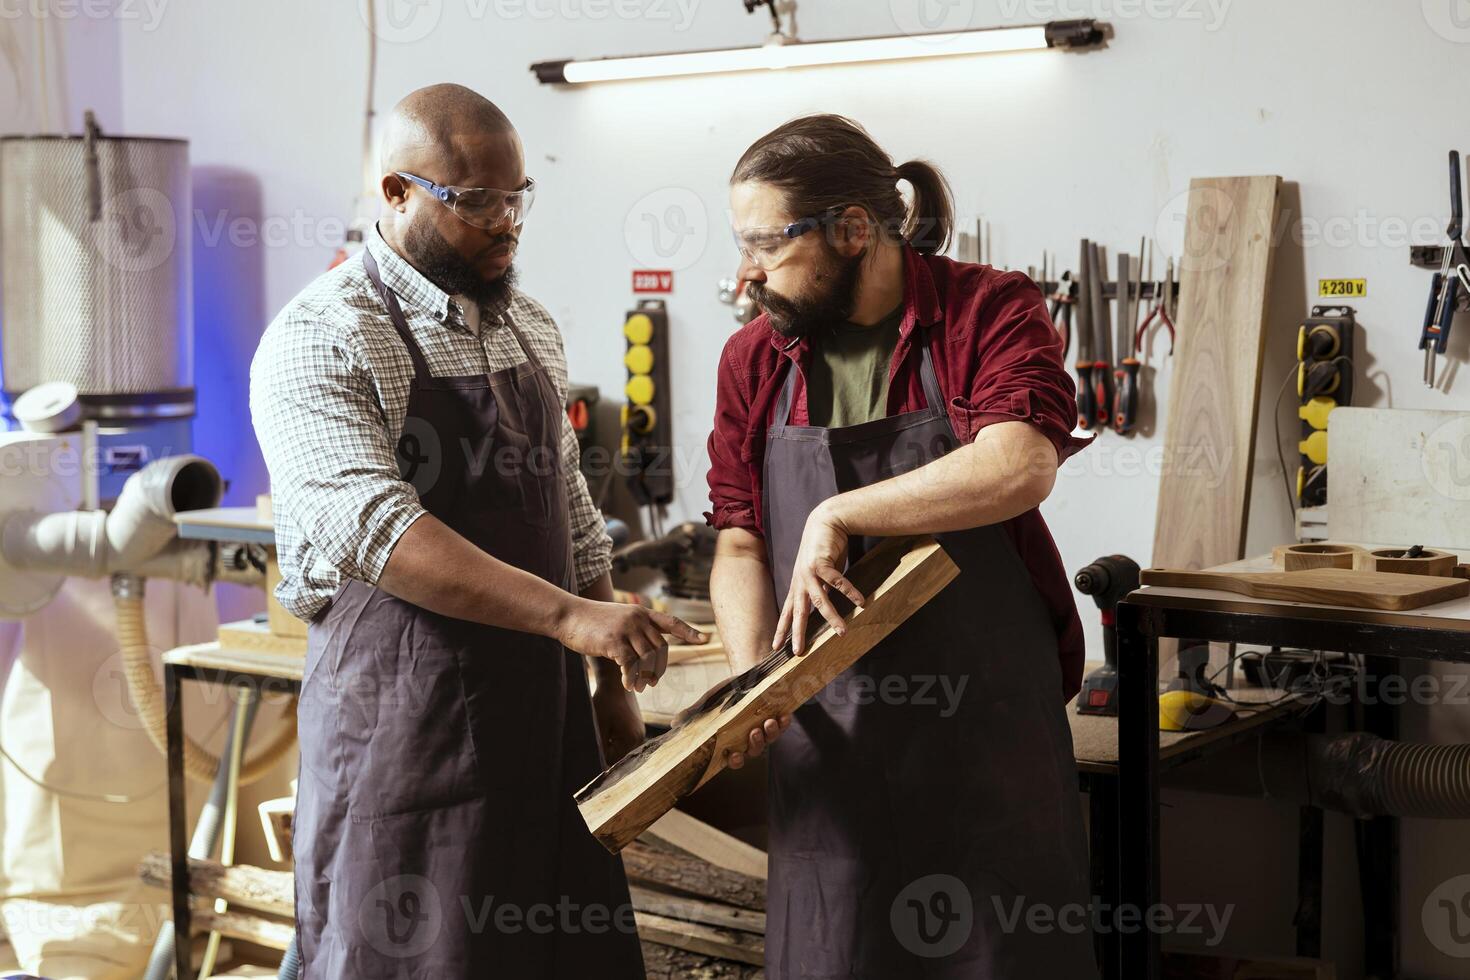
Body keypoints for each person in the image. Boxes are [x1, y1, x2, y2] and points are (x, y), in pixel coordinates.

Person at [251, 83, 703, 979]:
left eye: (518, 197)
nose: (507, 223)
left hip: (543, 734)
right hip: (400, 741)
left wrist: (611, 676)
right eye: (477, 202)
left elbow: (572, 509)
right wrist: (573, 619)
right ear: (396, 193)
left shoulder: (527, 327)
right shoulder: (320, 337)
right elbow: (377, 528)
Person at [704, 114, 1099, 978]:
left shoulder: (984, 310)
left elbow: (1020, 462)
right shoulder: (755, 359)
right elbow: (738, 538)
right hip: (827, 736)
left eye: (765, 245)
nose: (746, 274)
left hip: (982, 738)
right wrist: (751, 686)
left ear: (852, 229)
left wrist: (838, 513)